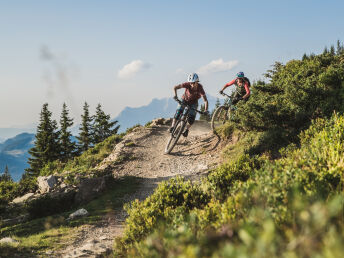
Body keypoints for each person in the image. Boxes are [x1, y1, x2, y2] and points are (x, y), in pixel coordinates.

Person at [170, 73, 209, 137]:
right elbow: (175, 87)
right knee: (178, 112)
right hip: (184, 99)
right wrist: (175, 96)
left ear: (197, 82)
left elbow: (205, 100)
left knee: (191, 118)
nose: (191, 84)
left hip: (194, 103)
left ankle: (187, 130)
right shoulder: (187, 84)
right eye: (190, 83)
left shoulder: (200, 88)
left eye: (193, 83)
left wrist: (205, 110)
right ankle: (172, 126)